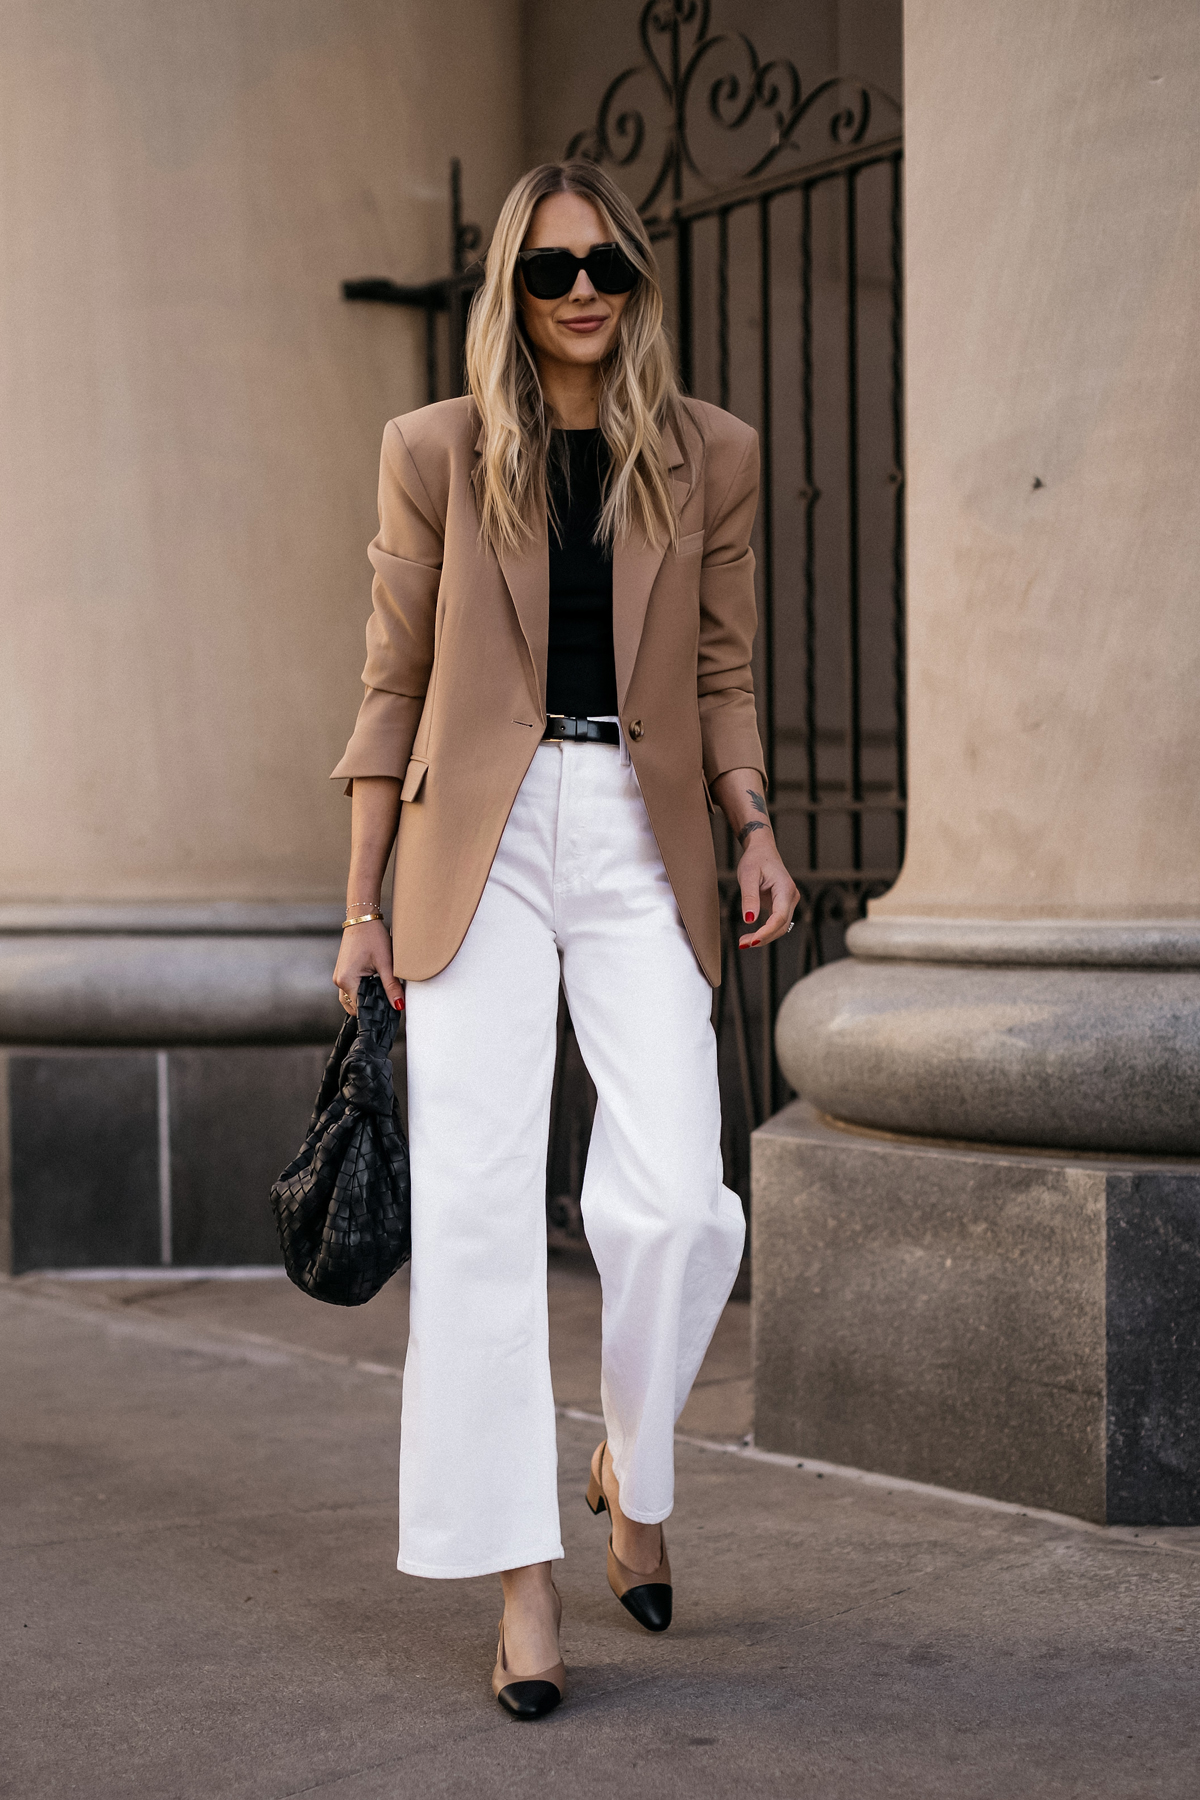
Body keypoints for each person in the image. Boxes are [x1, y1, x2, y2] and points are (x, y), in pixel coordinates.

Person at [330, 160, 798, 1719]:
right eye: (549, 271)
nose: (583, 289)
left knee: (679, 1203)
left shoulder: (711, 453)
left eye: (606, 265)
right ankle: (524, 1578)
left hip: (635, 835)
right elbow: (392, 687)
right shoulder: (439, 453)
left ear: (639, 278)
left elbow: (722, 667)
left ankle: (630, 1460)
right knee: (473, 1213)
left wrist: (751, 823)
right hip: (479, 841)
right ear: (509, 293)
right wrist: (360, 900)